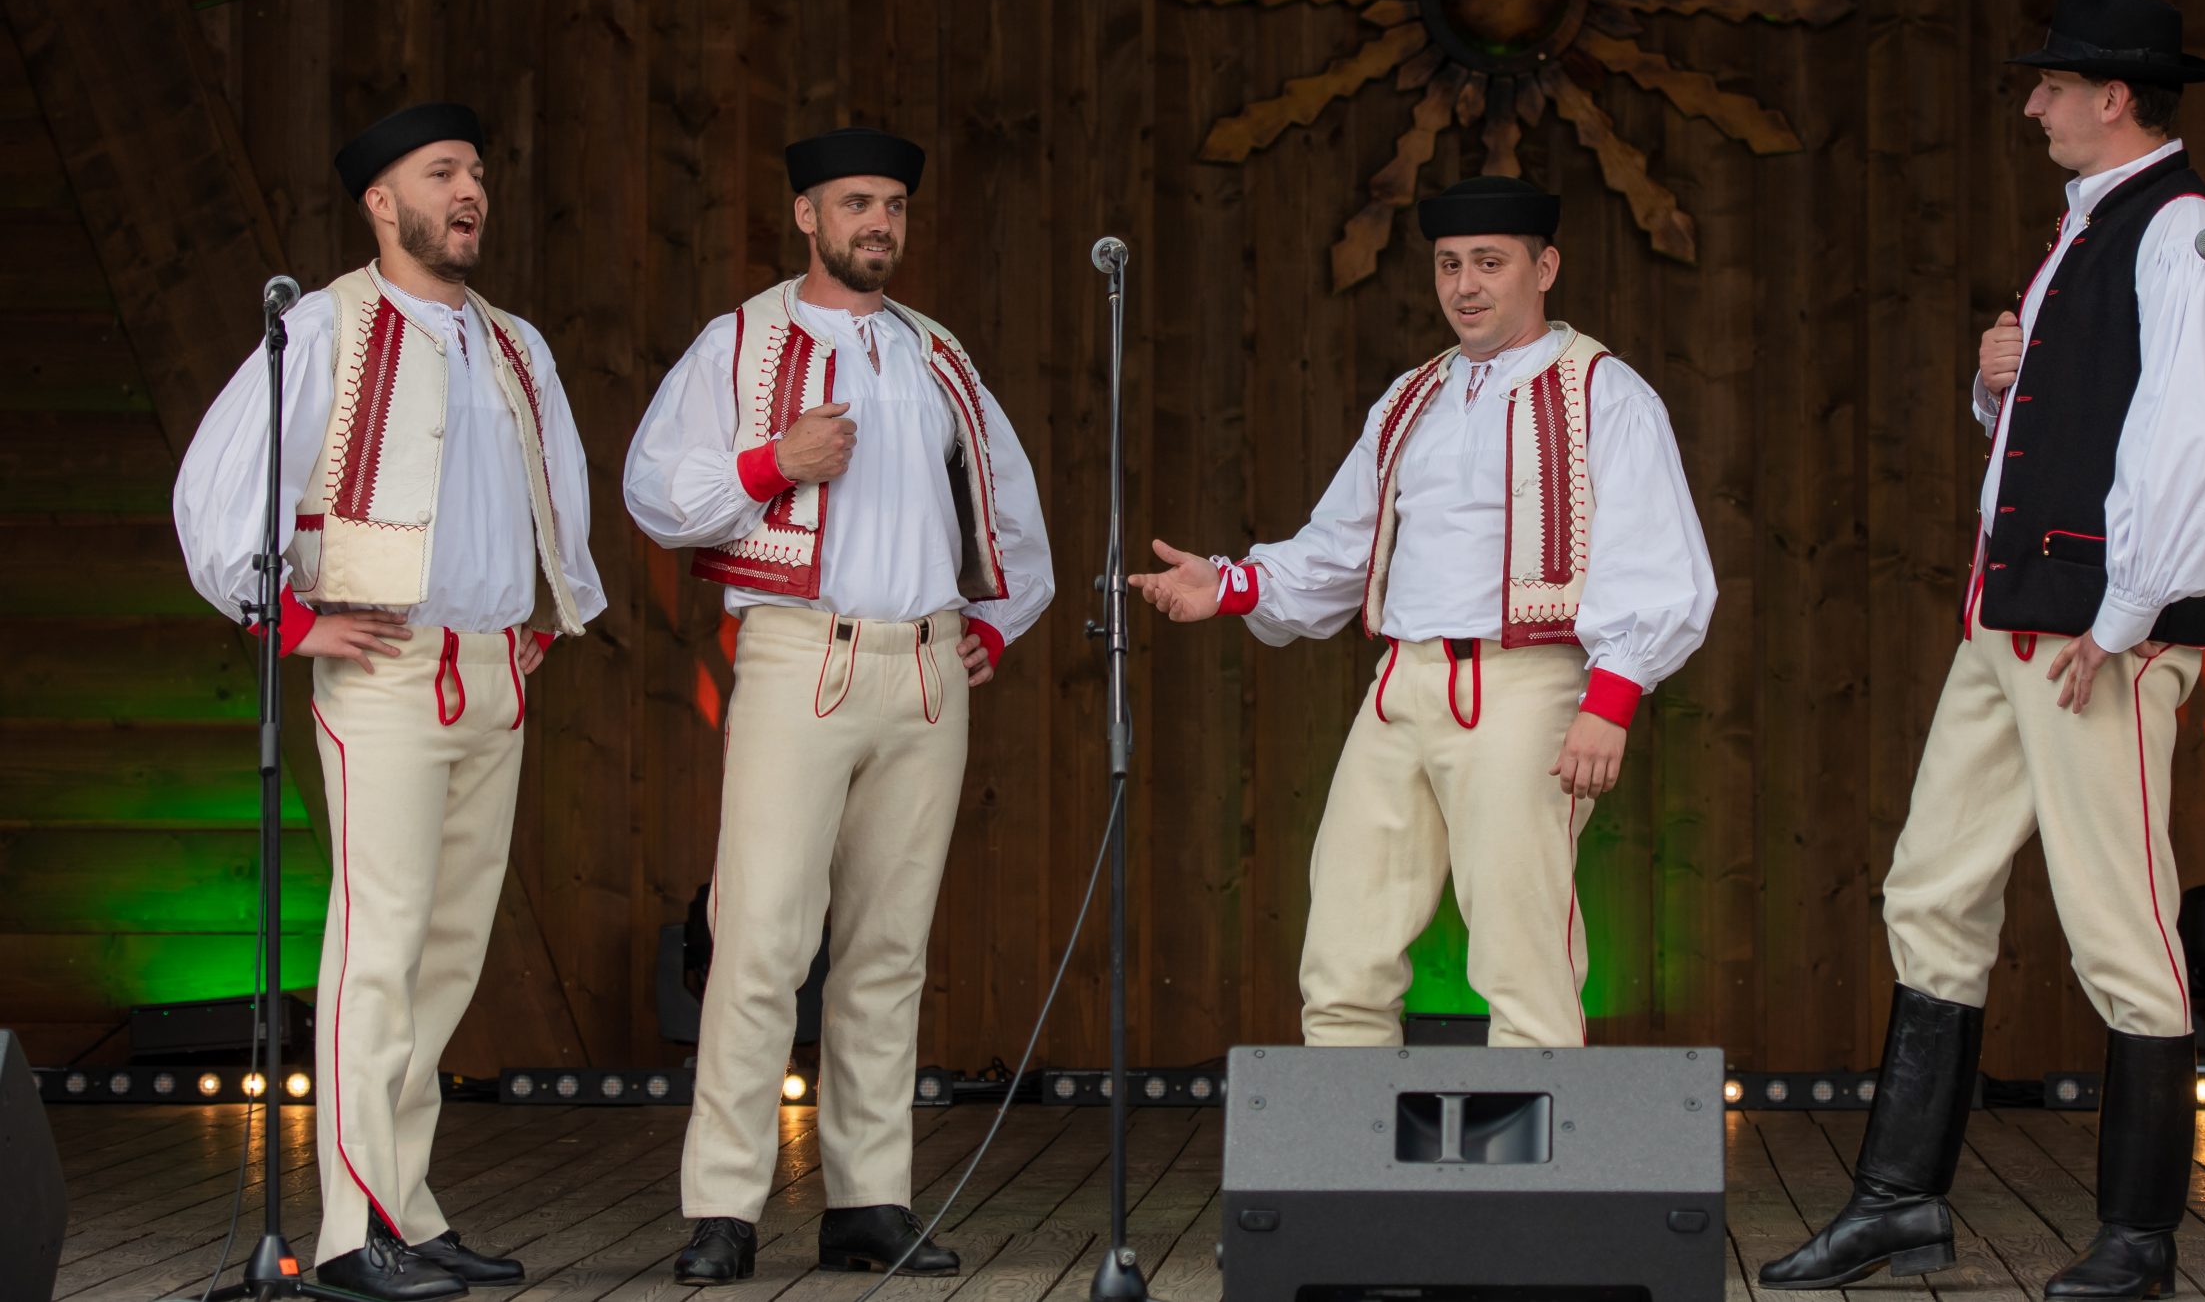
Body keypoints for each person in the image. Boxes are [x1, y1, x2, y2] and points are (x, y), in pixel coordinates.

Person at [1762, 0, 2205, 1299]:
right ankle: (1899, 1201)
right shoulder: (2085, 228)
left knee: (2119, 919)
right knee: (1931, 887)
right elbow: (2069, 426)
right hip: (2011, 621)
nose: (2032, 104)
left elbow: (2198, 435)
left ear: (2113, 96)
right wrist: (1996, 389)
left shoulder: (2182, 229)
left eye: (2051, 84)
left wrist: (2125, 615)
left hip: (2094, 631)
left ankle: (2139, 1240)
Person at [174, 102, 607, 1300]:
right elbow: (218, 492)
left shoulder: (514, 343)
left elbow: (554, 482)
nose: (470, 191)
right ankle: (352, 1233)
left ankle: (405, 1209)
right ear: (381, 202)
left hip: (490, 669)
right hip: (385, 671)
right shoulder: (324, 327)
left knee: (447, 956)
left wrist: (548, 608)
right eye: (441, 173)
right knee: (379, 950)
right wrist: (289, 621)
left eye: (477, 173)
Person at [1132, 173, 1713, 1048]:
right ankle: (1350, 1137)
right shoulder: (1412, 397)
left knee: (1522, 953)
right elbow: (1341, 545)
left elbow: (1660, 564)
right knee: (1344, 947)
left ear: (1545, 268)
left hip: (1526, 684)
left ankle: (1530, 1141)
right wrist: (1232, 584)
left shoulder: (1605, 392)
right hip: (1402, 680)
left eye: (1489, 262)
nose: (1465, 285)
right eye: (1449, 265)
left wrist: (1611, 698)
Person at [625, 127, 1054, 1286]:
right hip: (799, 657)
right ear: (806, 215)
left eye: (893, 205)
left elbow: (1009, 505)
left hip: (923, 666)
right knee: (760, 939)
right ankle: (723, 1206)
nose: (879, 223)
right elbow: (656, 491)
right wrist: (773, 463)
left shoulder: (937, 353)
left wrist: (992, 627)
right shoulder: (739, 341)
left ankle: (869, 1201)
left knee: (888, 948)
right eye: (856, 202)